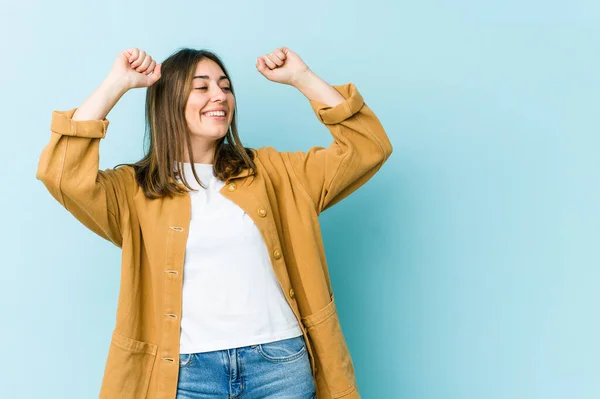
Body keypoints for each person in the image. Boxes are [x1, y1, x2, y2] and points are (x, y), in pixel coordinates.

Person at [36, 46, 393, 399]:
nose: (220, 96)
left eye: (225, 86)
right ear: (169, 102)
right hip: (185, 374)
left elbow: (368, 147)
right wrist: (116, 84)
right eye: (202, 87)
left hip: (280, 364)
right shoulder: (134, 192)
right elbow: (62, 174)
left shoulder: (277, 174)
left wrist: (303, 78)